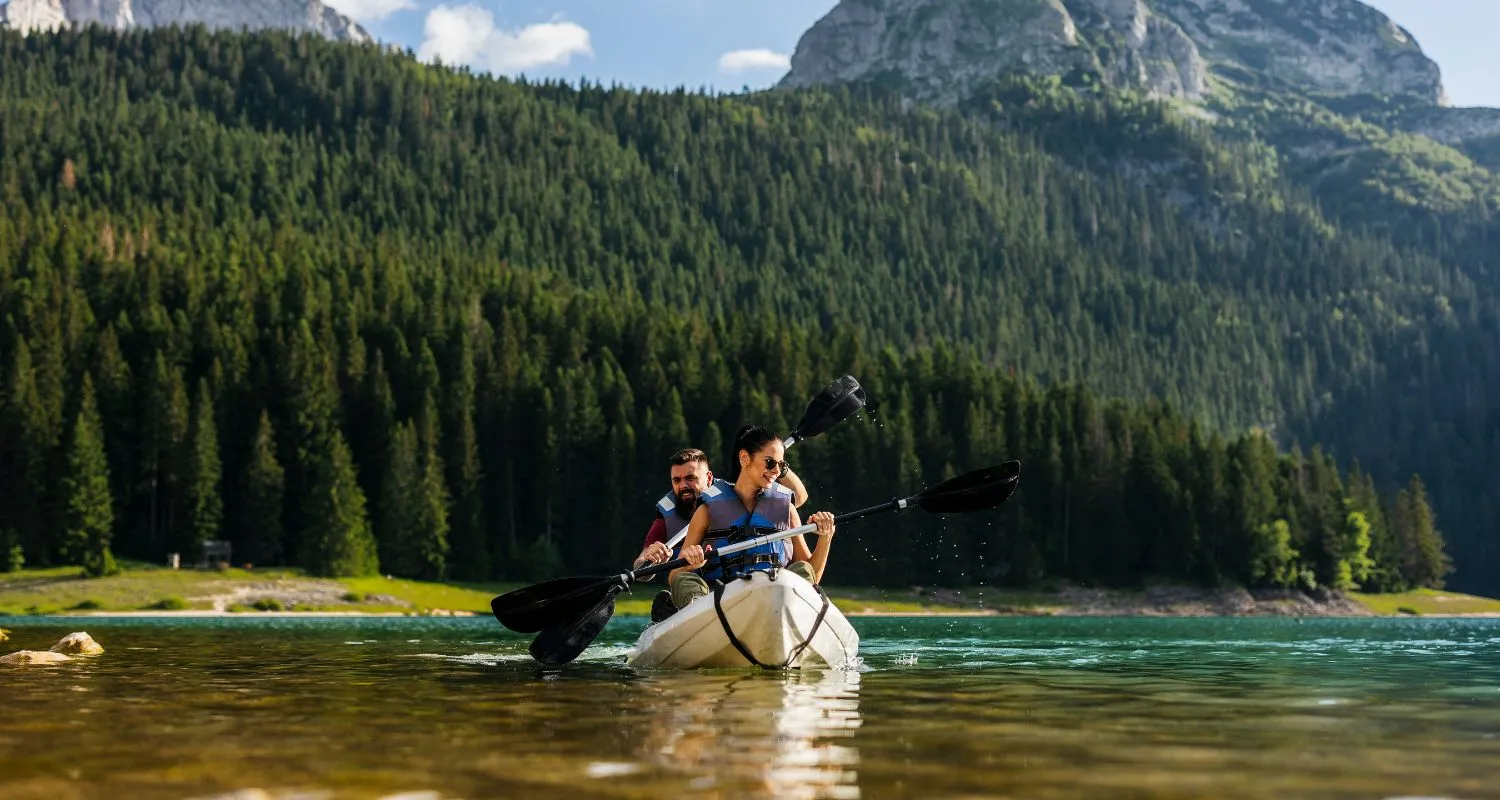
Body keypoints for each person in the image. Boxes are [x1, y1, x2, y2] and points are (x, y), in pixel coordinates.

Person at [666, 425, 837, 612]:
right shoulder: (706, 510)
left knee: (802, 569)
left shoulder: (787, 510)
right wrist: (691, 564)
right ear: (745, 459)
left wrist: (825, 538)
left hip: (775, 600)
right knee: (685, 579)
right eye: (770, 463)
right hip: (720, 604)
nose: (776, 471)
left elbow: (810, 574)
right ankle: (697, 615)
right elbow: (674, 576)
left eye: (781, 465)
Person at [633, 446, 808, 623]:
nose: (683, 486)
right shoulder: (666, 517)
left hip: (737, 585)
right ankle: (683, 614)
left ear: (709, 478)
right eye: (676, 480)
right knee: (684, 581)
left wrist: (778, 465)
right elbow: (641, 570)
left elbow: (798, 498)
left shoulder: (736, 494)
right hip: (695, 593)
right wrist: (649, 559)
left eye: (690, 478)